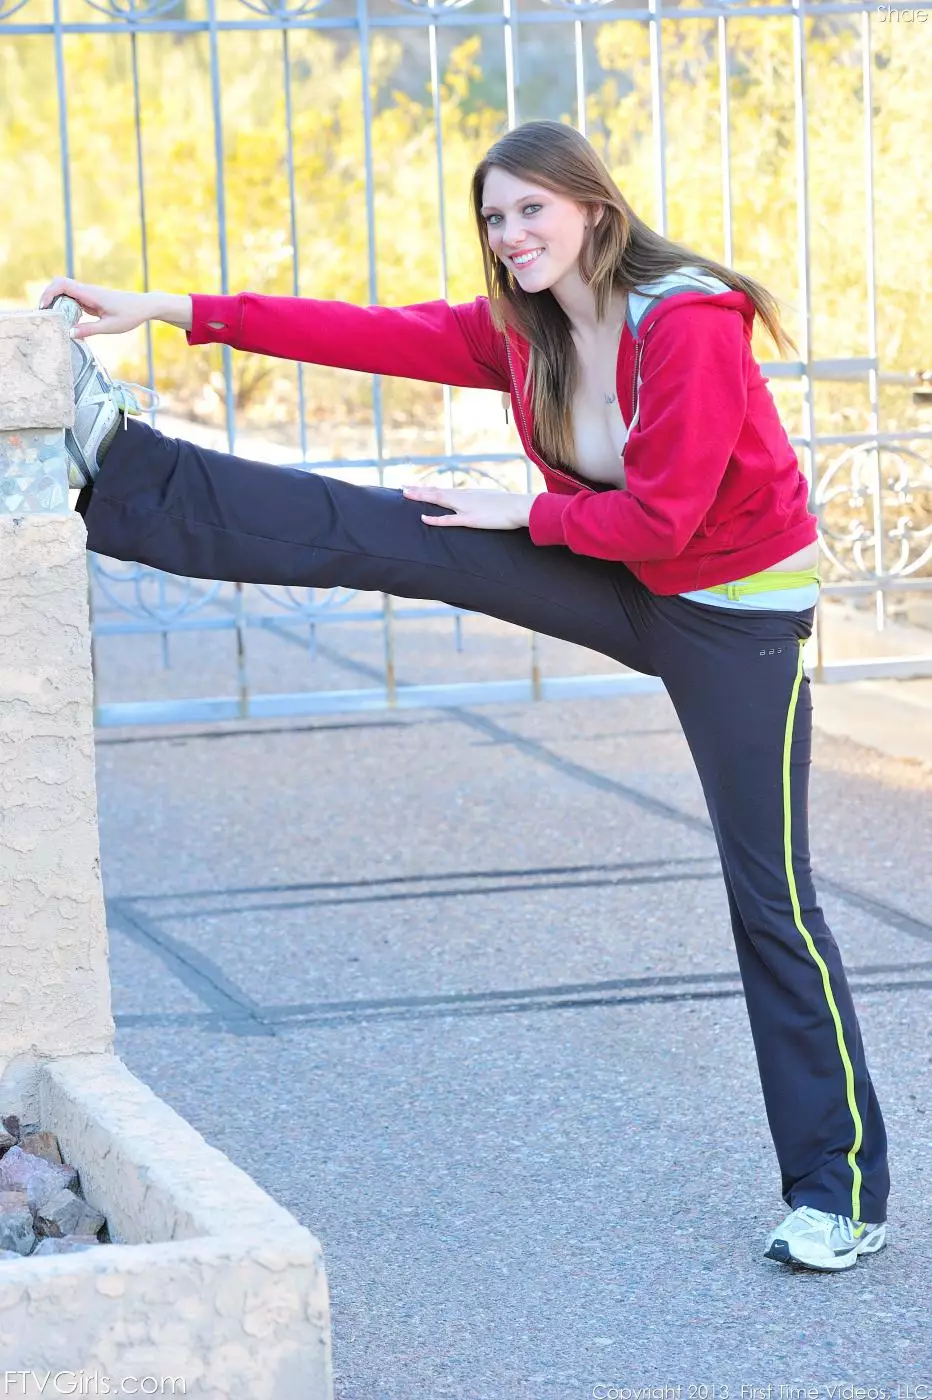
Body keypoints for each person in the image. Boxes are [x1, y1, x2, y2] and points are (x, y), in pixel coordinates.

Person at [40, 118, 889, 1272]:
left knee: (770, 898)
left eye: (531, 208)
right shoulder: (526, 329)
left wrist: (521, 512)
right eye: (494, 217)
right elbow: (367, 332)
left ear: (591, 205)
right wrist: (168, 306)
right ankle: (124, 471)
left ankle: (840, 1190)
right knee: (398, 527)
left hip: (732, 617)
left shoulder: (687, 319)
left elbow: (666, 515)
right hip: (619, 567)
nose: (510, 234)